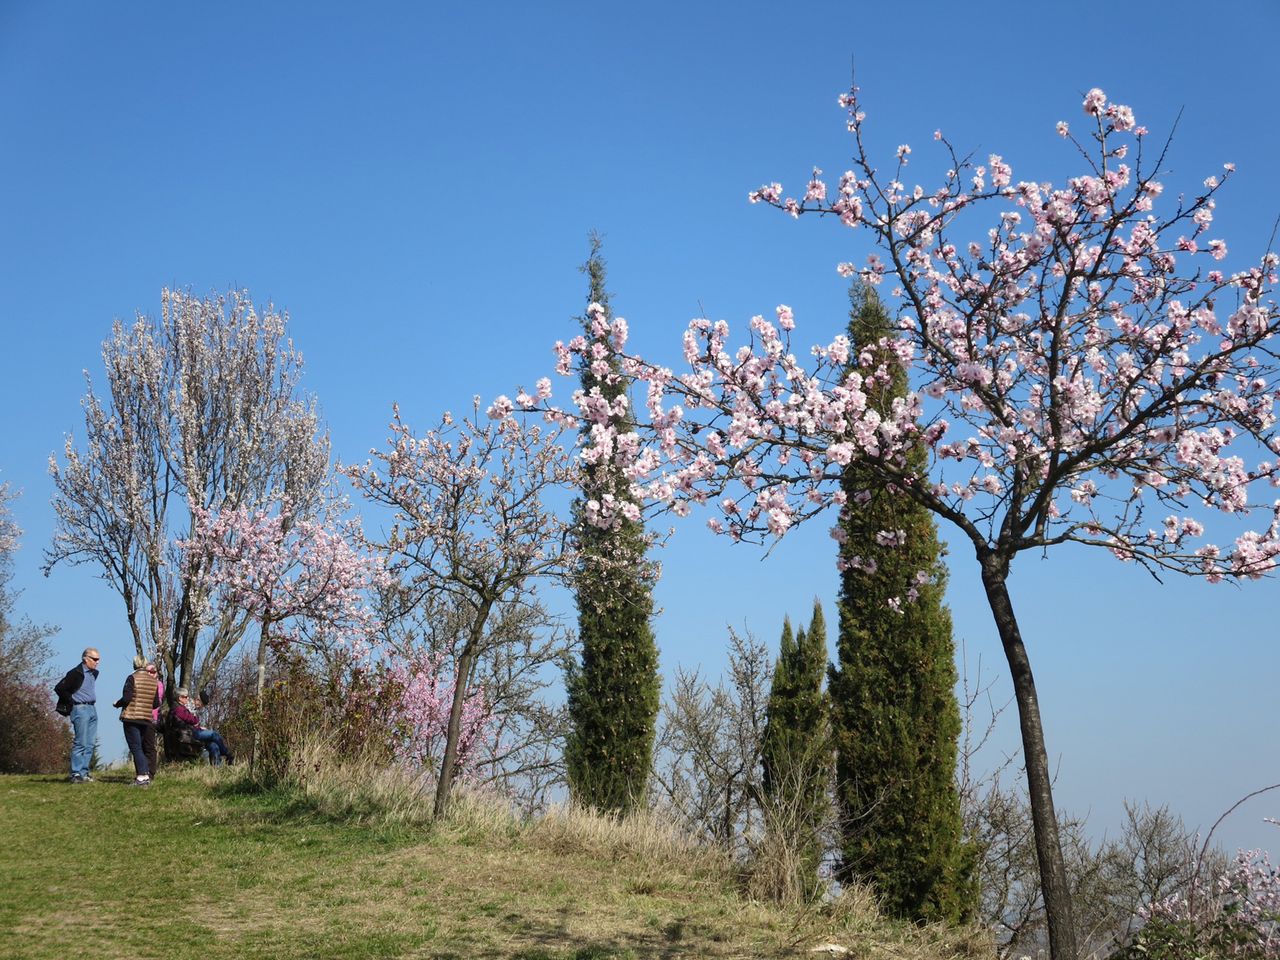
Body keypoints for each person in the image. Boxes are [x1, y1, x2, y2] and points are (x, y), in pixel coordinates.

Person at [54, 647, 101, 783]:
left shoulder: (94, 674)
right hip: (80, 709)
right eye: (95, 659)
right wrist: (72, 700)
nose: (97, 662)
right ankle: (75, 773)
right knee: (80, 742)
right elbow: (59, 688)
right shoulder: (75, 673)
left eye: (98, 659)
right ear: (85, 659)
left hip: (92, 708)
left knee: (90, 743)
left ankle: (84, 772)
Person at [113, 655, 160, 787]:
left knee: (136, 747)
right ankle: (146, 774)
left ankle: (142, 776)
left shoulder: (132, 678)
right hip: (146, 718)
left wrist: (117, 704)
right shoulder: (153, 681)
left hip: (132, 717)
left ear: (134, 665)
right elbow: (156, 703)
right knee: (145, 747)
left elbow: (127, 698)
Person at [172, 688, 233, 766]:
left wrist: (199, 727)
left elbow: (192, 722)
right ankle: (228, 754)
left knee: (213, 745)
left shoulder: (192, 707)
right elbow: (191, 720)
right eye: (202, 705)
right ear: (198, 701)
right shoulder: (186, 705)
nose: (201, 707)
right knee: (214, 734)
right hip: (190, 733)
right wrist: (198, 725)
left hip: (192, 731)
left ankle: (218, 768)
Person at [141, 662, 164, 779]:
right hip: (140, 717)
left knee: (149, 746)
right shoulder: (142, 683)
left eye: (153, 672)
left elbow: (156, 701)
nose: (150, 674)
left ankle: (151, 772)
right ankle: (142, 771)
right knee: (141, 745)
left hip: (151, 718)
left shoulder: (158, 685)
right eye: (148, 672)